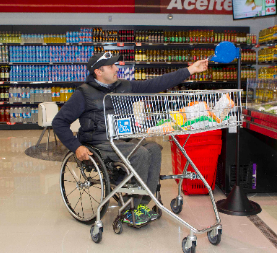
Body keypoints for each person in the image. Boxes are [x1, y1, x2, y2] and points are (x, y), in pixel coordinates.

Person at [52, 52, 208, 226]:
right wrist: (76, 147)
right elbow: (59, 122)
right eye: (111, 66)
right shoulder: (84, 94)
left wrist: (190, 70)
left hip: (123, 139)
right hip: (99, 143)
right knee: (140, 153)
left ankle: (141, 204)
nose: (116, 68)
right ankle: (133, 206)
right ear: (98, 72)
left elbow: (155, 84)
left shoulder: (124, 86)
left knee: (154, 149)